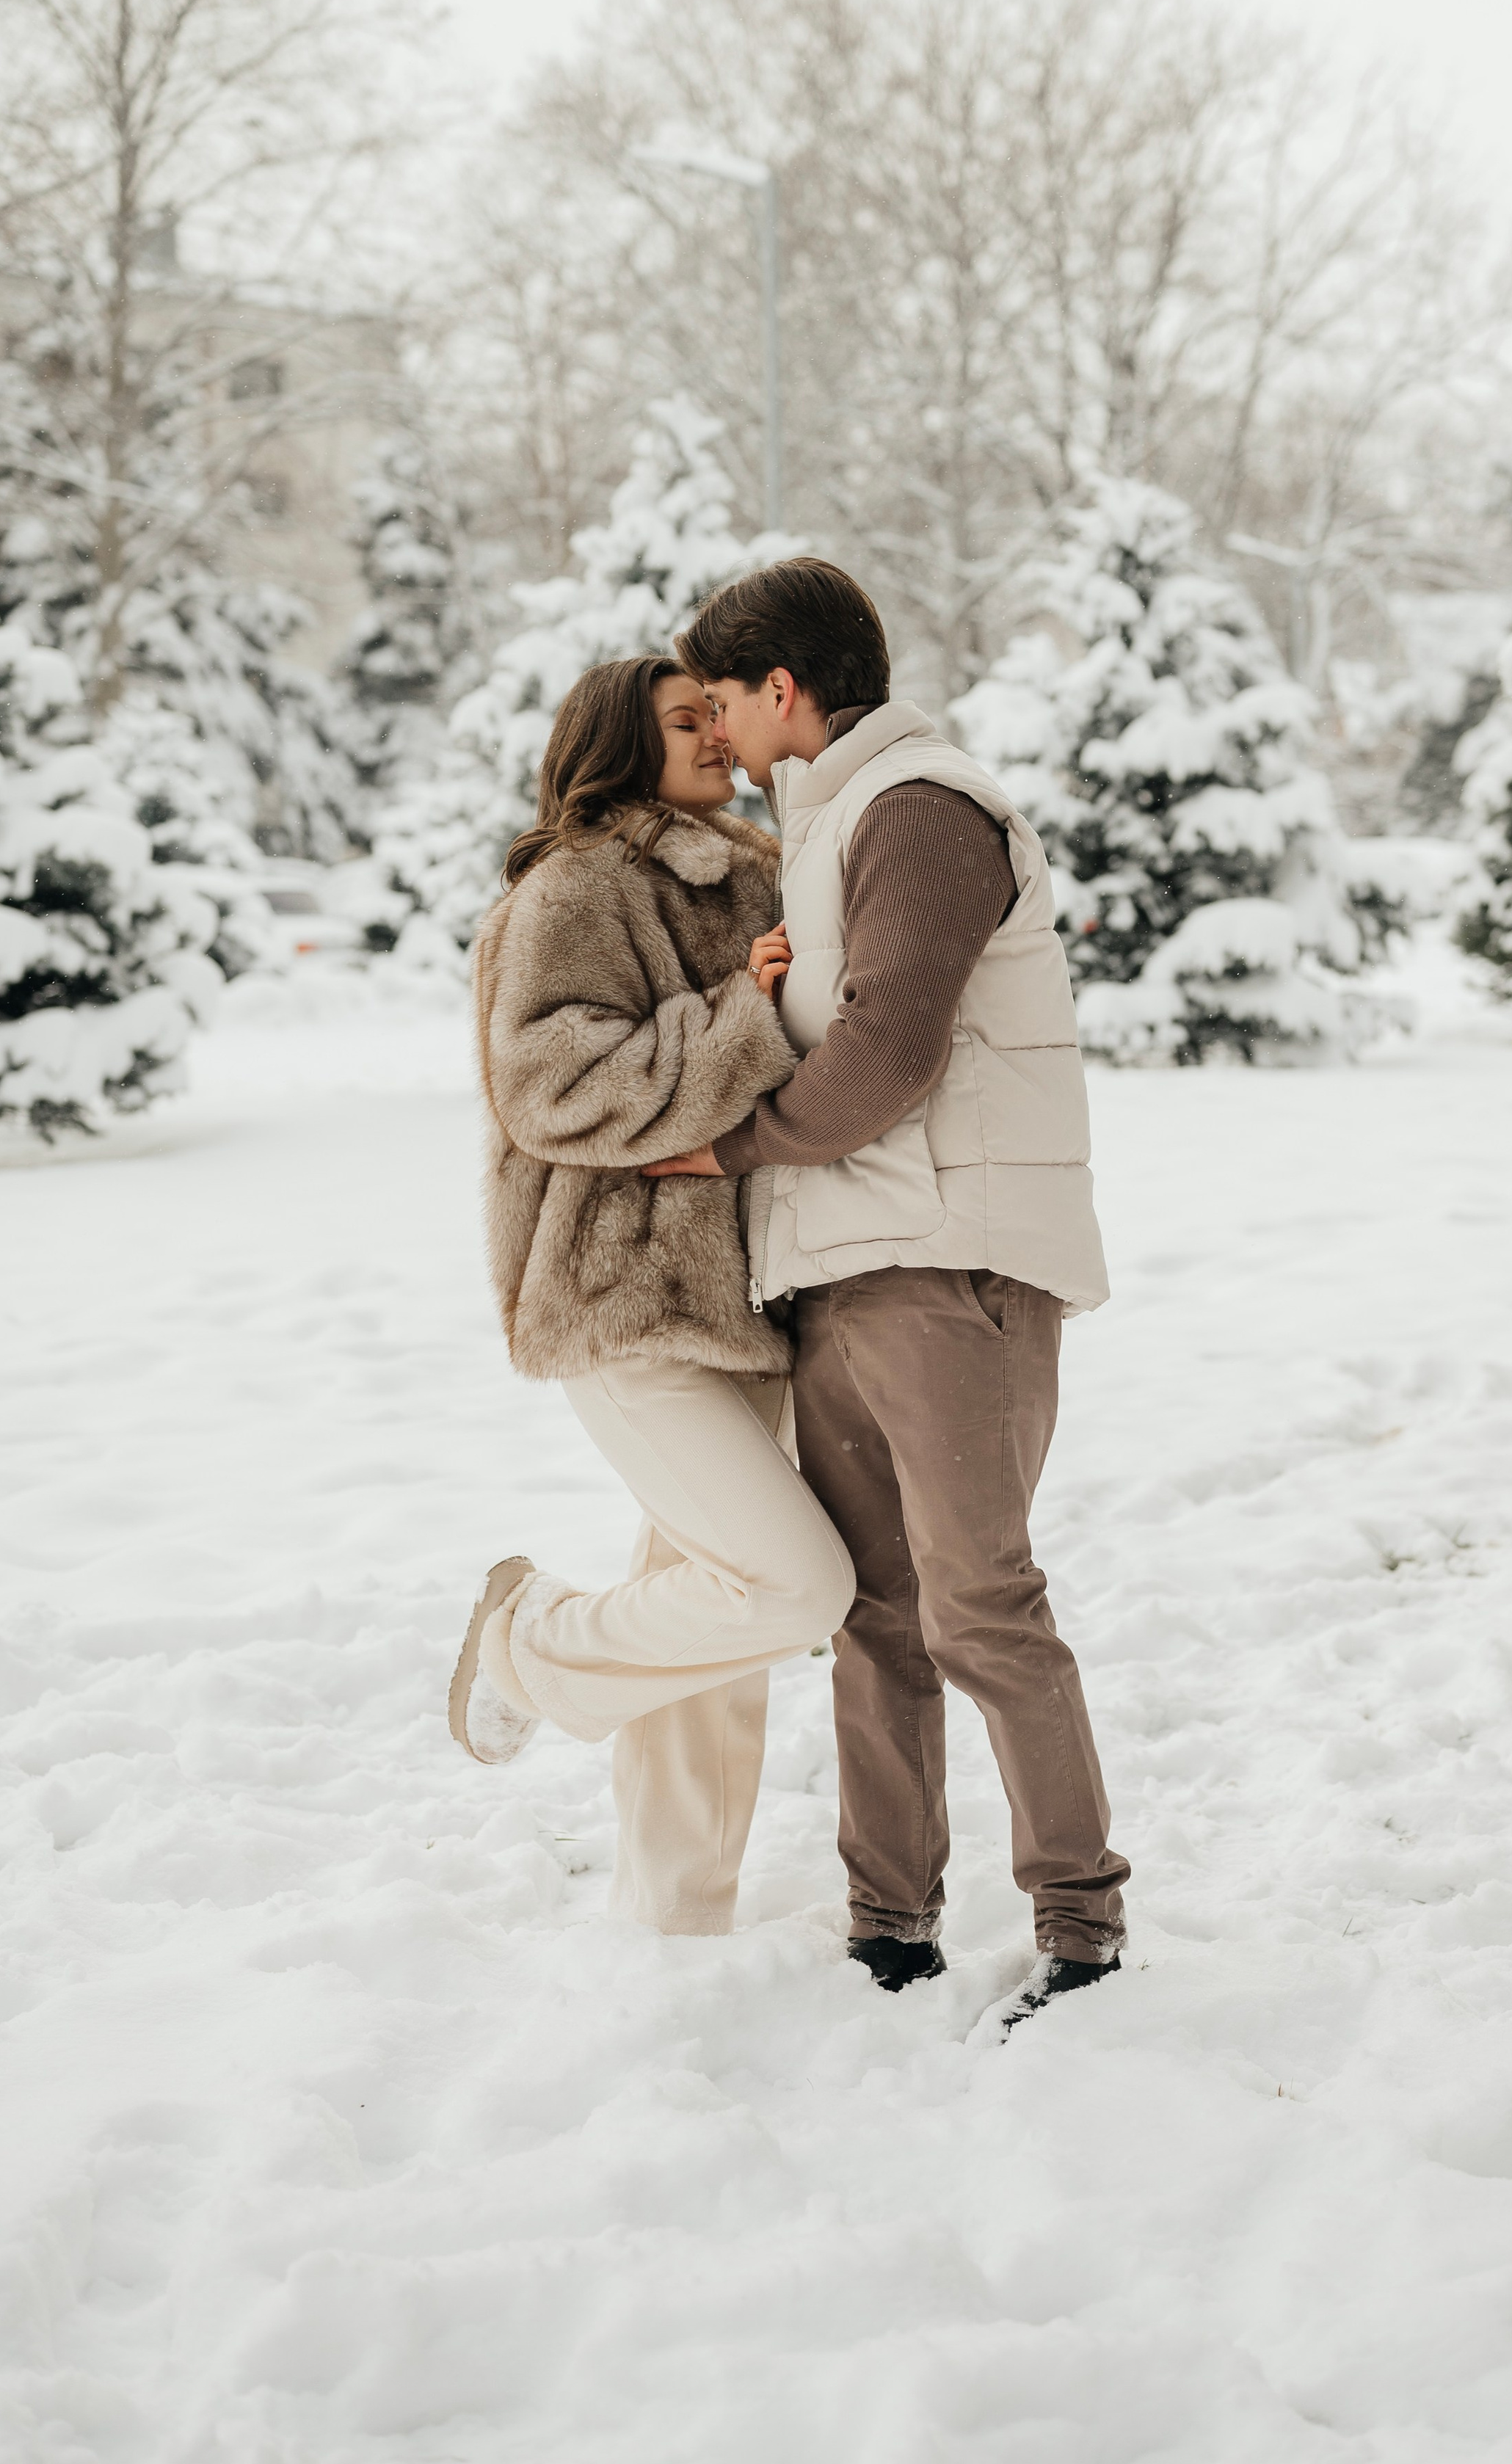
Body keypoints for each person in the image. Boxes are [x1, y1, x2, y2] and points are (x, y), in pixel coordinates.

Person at [644, 559, 1130, 2027]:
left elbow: (888, 1053)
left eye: (722, 698)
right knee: (876, 1617)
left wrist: (725, 1146)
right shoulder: (828, 826)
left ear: (780, 688)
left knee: (980, 1605)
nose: (714, 728)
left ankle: (1081, 1930)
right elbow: (825, 1025)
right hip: (844, 1267)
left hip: (948, 1266)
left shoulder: (921, 806)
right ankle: (889, 1925)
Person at [448, 654, 856, 1938]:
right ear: (619, 743)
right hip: (624, 1297)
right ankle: (525, 1640)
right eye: (686, 723)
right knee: (793, 1587)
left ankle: (674, 1924)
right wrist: (744, 1012)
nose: (719, 740)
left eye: (718, 717)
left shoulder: (755, 873)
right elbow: (550, 1088)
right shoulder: (574, 886)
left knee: (712, 1641)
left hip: (753, 1299)